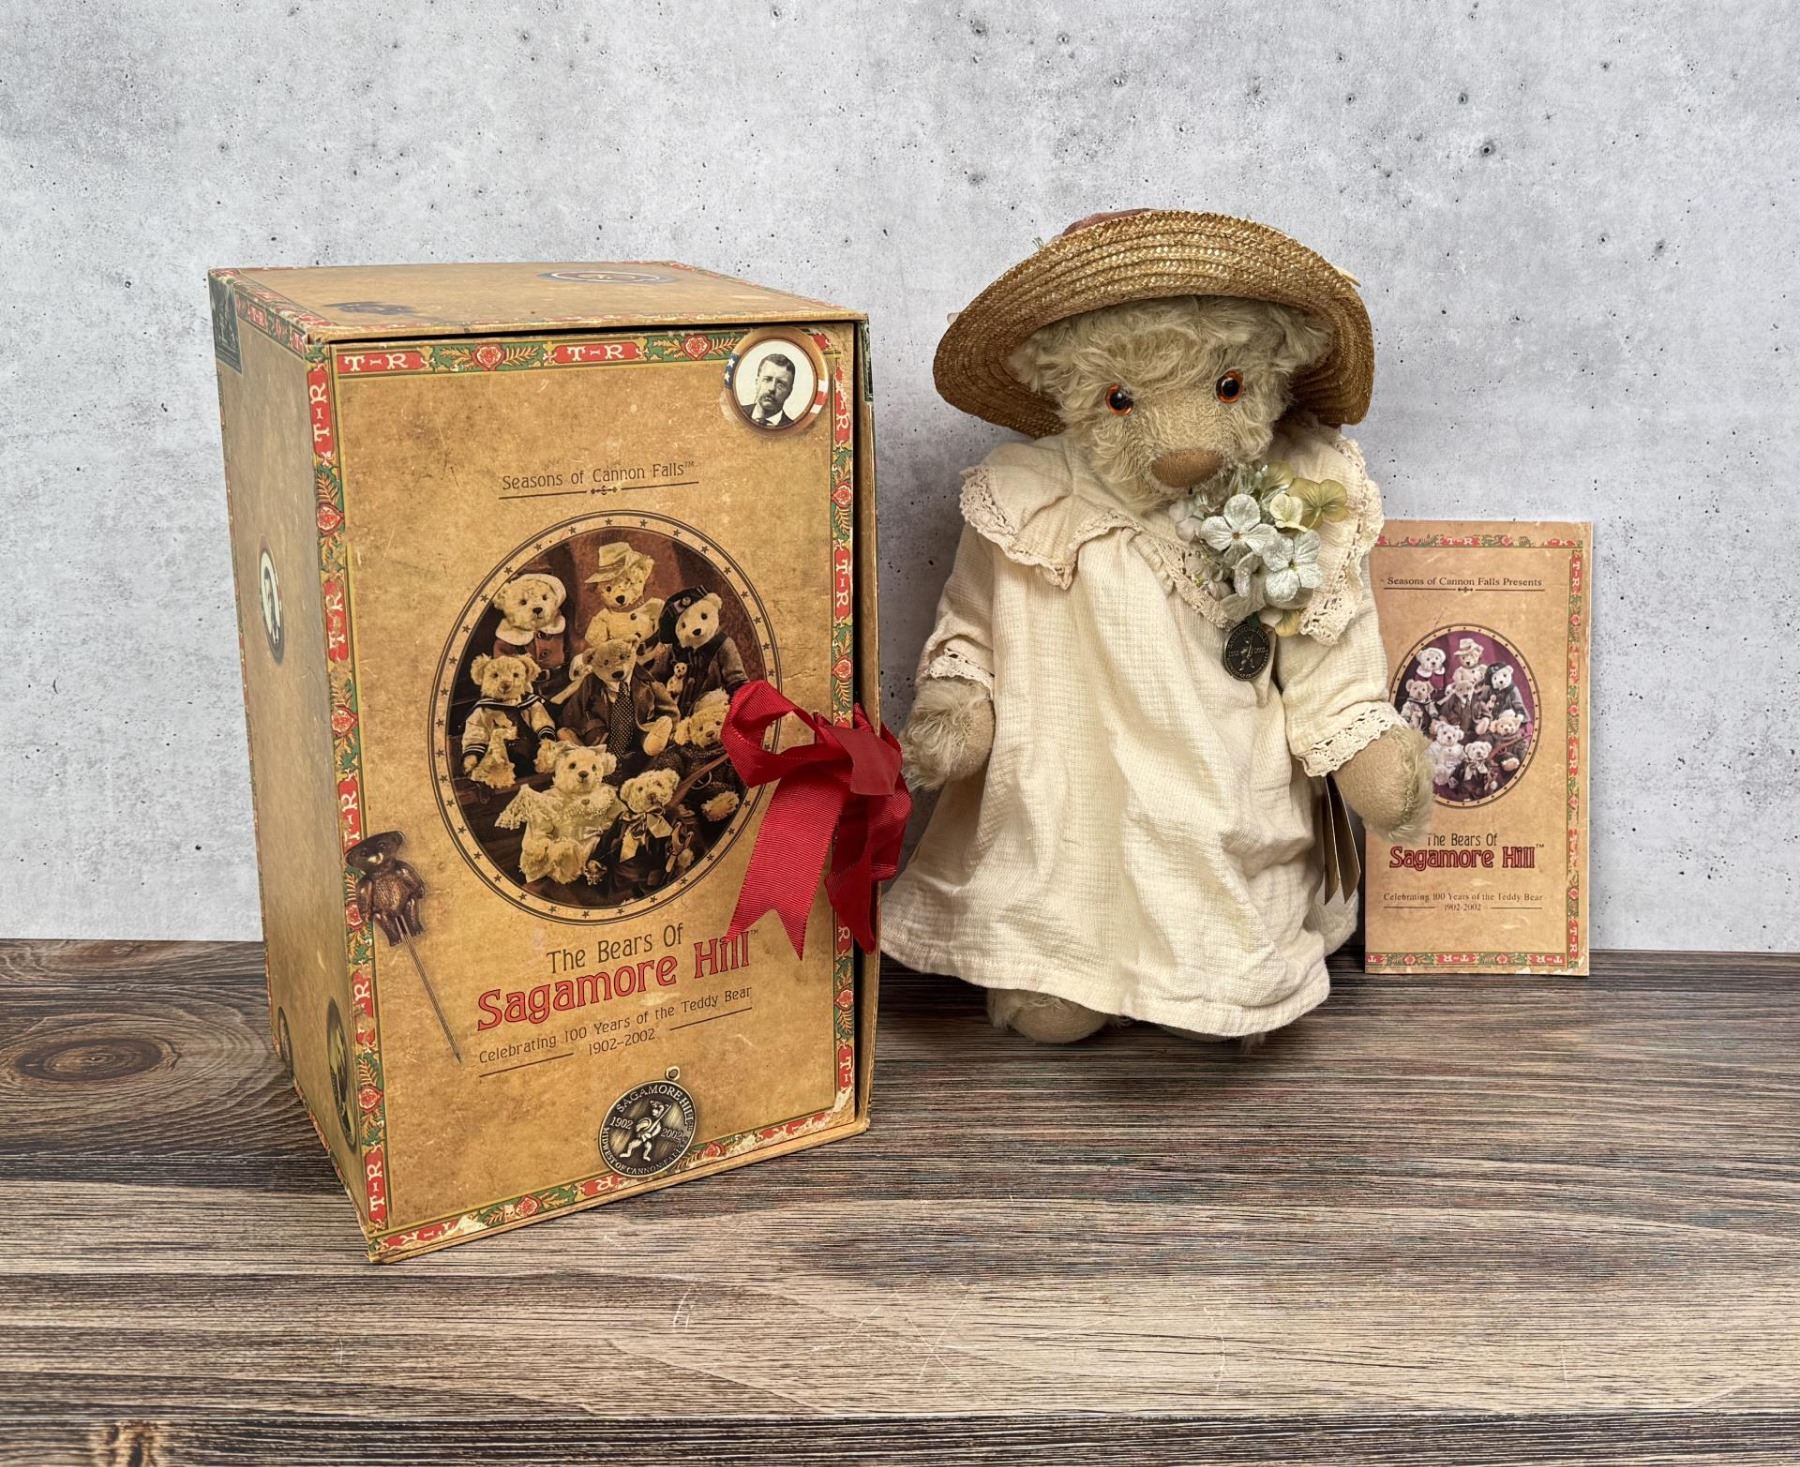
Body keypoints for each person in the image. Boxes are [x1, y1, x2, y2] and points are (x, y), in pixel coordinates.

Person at [743, 351, 797, 429]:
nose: (772, 388)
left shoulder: (793, 429)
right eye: (767, 379)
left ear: (789, 392)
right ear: (757, 382)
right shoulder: (737, 413)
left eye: (780, 384)